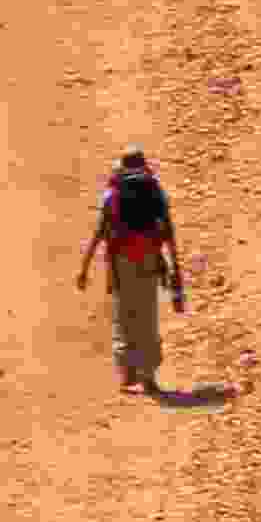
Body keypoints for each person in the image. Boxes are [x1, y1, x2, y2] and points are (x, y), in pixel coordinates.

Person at [78, 146, 194, 392]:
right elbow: (169, 233)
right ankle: (149, 377)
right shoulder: (155, 190)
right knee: (147, 316)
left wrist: (84, 268)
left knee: (124, 315)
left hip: (121, 263)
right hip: (150, 261)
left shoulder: (113, 193)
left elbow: (99, 233)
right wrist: (175, 272)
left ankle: (127, 373)